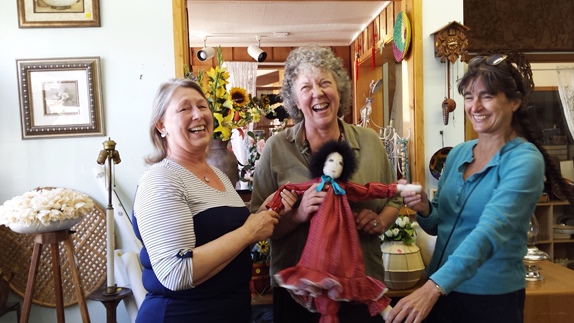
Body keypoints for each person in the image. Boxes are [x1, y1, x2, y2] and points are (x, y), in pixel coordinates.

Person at [387, 51, 574, 323]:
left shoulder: (524, 160)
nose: (475, 106)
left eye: (487, 96)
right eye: (469, 96)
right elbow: (442, 224)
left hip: (489, 299)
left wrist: (433, 287)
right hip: (442, 291)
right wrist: (426, 207)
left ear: (514, 102)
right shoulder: (458, 154)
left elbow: (491, 231)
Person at [250, 45, 403, 323]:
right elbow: (258, 224)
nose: (317, 93)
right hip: (298, 291)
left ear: (339, 90)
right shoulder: (277, 149)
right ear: (295, 100)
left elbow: (393, 199)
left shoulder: (369, 142)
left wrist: (380, 221)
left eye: (325, 83)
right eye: (306, 87)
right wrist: (297, 214)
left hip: (360, 287)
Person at [132, 78, 287, 323]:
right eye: (185, 108)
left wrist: (261, 217)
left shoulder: (218, 176)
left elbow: (224, 242)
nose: (198, 115)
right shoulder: (161, 179)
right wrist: (248, 232)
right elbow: (176, 272)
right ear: (161, 125)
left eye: (202, 106)